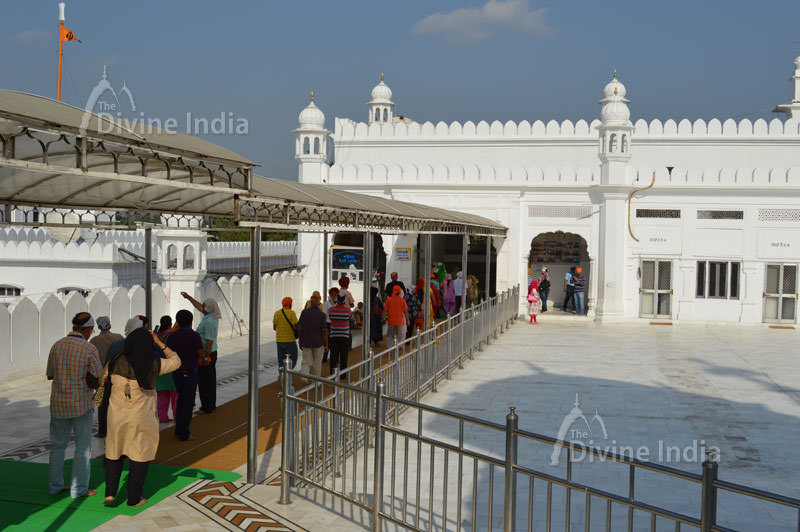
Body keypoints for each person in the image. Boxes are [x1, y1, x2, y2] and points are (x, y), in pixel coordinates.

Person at [103, 328, 180, 506]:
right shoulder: (154, 364)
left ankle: (110, 494)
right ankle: (134, 498)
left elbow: (103, 379)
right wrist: (159, 342)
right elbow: (176, 361)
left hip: (116, 417)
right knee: (139, 456)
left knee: (114, 453)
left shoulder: (115, 361)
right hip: (141, 418)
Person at [47, 312, 102, 498]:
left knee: (57, 447)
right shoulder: (88, 349)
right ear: (87, 329)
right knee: (82, 449)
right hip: (81, 404)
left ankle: (55, 486)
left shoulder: (57, 346)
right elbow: (97, 378)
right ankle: (78, 490)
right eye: (91, 330)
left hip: (58, 404)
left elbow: (50, 374)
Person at [166, 310, 204, 441]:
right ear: (191, 321)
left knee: (180, 401)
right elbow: (200, 353)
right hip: (189, 372)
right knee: (187, 403)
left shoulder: (172, 336)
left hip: (176, 372)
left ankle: (179, 429)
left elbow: (167, 352)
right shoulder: (194, 335)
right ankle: (184, 432)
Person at [181, 293, 220, 414]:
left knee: (205, 382)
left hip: (206, 353)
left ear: (207, 309)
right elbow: (199, 307)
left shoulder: (209, 322)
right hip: (209, 353)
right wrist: (189, 298)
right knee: (209, 380)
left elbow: (209, 341)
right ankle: (210, 405)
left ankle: (206, 407)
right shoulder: (211, 316)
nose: (201, 308)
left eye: (204, 306)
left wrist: (205, 357)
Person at [298, 292, 328, 377]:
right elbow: (324, 331)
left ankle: (304, 377)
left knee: (305, 362)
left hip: (306, 341)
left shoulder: (304, 313)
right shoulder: (322, 315)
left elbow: (300, 329)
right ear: (319, 303)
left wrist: (300, 341)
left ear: (310, 302)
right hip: (318, 342)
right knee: (317, 363)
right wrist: (326, 344)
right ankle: (316, 381)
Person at [155, 316, 177, 423]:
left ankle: (162, 417)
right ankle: (177, 416)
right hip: (171, 368)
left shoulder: (156, 335)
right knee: (175, 395)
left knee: (162, 395)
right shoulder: (172, 335)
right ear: (170, 323)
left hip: (159, 368)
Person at [327, 292, 352, 379]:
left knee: (333, 356)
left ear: (337, 299)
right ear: (344, 300)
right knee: (344, 356)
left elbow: (330, 318)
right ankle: (343, 374)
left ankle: (333, 374)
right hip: (344, 336)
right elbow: (350, 317)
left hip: (333, 336)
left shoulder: (331, 310)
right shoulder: (348, 310)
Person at [273, 297, 299, 368]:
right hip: (290, 340)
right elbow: (296, 326)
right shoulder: (291, 313)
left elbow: (274, 327)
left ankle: (282, 374)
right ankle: (288, 373)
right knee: (293, 357)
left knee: (281, 359)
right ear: (290, 304)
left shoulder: (277, 313)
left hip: (279, 340)